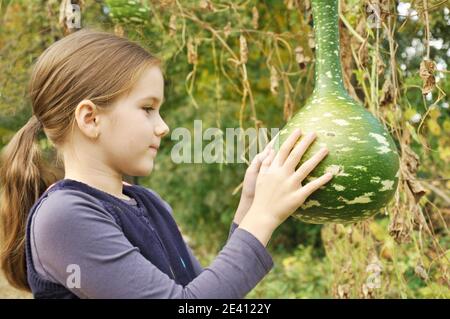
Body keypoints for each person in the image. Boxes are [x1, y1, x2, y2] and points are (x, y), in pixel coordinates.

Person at [0, 28, 333, 298]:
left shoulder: (147, 202)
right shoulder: (64, 218)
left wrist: (249, 206)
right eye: (147, 108)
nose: (163, 126)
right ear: (90, 118)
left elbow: (199, 294)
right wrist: (264, 216)